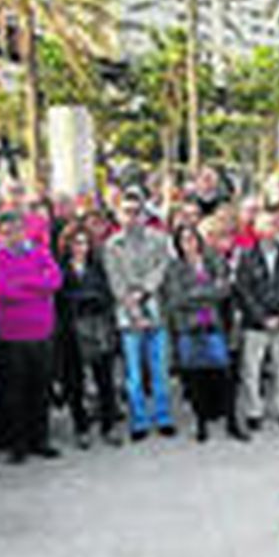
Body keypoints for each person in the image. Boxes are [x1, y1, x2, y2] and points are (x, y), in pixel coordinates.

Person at [0, 211, 63, 463]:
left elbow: (55, 281)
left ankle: (41, 439)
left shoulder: (40, 252)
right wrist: (34, 286)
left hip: (41, 330)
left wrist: (20, 283)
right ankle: (18, 444)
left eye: (17, 230)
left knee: (41, 388)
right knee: (14, 391)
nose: (13, 236)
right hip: (11, 334)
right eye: (6, 232)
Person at [105, 189, 177, 441]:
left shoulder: (159, 239)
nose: (132, 217)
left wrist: (145, 290)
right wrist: (132, 306)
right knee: (133, 373)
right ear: (118, 215)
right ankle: (139, 420)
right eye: (127, 212)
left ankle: (163, 416)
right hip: (127, 314)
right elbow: (115, 281)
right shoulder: (111, 245)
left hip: (155, 307)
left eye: (137, 212)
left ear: (145, 214)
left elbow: (163, 266)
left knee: (159, 368)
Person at [164, 224, 244, 443]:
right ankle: (201, 424)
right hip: (189, 328)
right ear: (178, 244)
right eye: (184, 240)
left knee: (225, 374)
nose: (189, 243)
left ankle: (232, 422)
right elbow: (175, 299)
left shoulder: (214, 260)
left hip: (214, 326)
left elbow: (224, 290)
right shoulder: (174, 268)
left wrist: (195, 294)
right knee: (196, 376)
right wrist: (207, 293)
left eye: (192, 238)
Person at [236, 209, 279, 430]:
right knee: (252, 369)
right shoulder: (246, 258)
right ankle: (254, 411)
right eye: (265, 226)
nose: (270, 231)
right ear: (256, 230)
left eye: (273, 226)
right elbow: (244, 291)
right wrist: (262, 317)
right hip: (256, 322)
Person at [56, 223, 122, 449]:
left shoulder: (98, 267)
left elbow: (107, 294)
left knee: (104, 379)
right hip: (70, 330)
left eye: (84, 242)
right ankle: (81, 427)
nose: (80, 248)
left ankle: (109, 425)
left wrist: (89, 299)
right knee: (74, 382)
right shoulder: (60, 268)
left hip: (97, 326)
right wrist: (81, 299)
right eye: (75, 243)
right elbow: (59, 299)